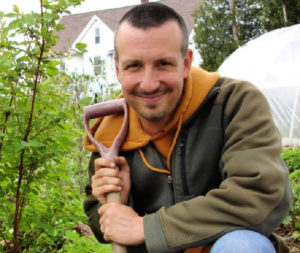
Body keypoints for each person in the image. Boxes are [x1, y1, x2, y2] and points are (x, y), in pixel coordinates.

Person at [83, 3, 292, 253]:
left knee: (242, 247)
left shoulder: (234, 103)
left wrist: (148, 228)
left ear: (185, 62)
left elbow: (259, 195)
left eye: (163, 64)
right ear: (117, 68)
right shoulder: (111, 128)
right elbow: (101, 224)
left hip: (220, 248)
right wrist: (119, 202)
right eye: (134, 66)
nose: (149, 84)